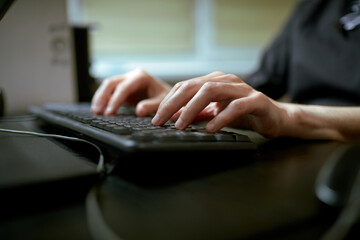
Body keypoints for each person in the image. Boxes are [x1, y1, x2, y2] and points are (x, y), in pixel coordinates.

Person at [91, 0, 360, 142]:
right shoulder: (312, 9)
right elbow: (257, 88)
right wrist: (175, 95)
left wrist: (289, 115)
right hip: (300, 151)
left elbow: (280, 112)